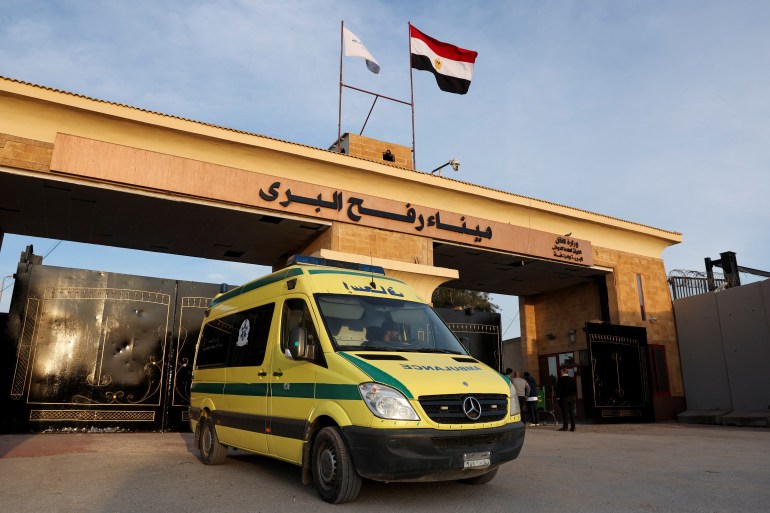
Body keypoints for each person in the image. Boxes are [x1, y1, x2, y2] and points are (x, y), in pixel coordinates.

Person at [555, 367, 577, 432]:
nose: (561, 373)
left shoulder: (560, 380)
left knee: (565, 413)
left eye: (561, 372)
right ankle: (573, 427)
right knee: (572, 412)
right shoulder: (572, 379)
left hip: (564, 398)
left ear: (563, 372)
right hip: (572, 397)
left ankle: (565, 427)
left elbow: (559, 390)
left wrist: (558, 397)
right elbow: (575, 389)